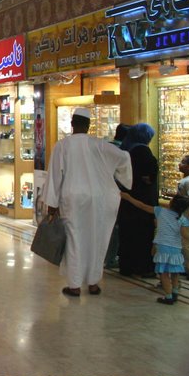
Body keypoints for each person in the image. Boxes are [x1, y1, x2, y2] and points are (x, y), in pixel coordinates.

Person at [43, 107, 132, 297]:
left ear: (72, 123)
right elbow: (123, 157)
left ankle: (74, 285)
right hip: (101, 198)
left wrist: (52, 204)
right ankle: (93, 283)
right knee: (98, 238)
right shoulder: (99, 144)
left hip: (73, 198)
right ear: (89, 125)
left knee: (75, 239)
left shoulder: (63, 145)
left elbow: (55, 176)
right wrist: (121, 177)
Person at [119, 182, 189, 305]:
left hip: (163, 247)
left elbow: (142, 206)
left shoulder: (160, 212)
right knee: (175, 272)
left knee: (164, 274)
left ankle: (168, 296)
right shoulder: (182, 219)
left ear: (171, 203)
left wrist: (128, 197)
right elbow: (184, 233)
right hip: (176, 248)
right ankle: (175, 292)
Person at [117, 123, 159, 278]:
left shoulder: (126, 149)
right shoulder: (142, 151)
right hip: (140, 202)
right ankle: (142, 267)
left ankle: (127, 266)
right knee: (141, 235)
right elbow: (149, 175)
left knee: (127, 235)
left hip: (127, 199)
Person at [104, 123, 131, 270]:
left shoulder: (104, 148)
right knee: (114, 227)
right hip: (115, 194)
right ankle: (110, 257)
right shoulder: (123, 151)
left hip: (100, 193)